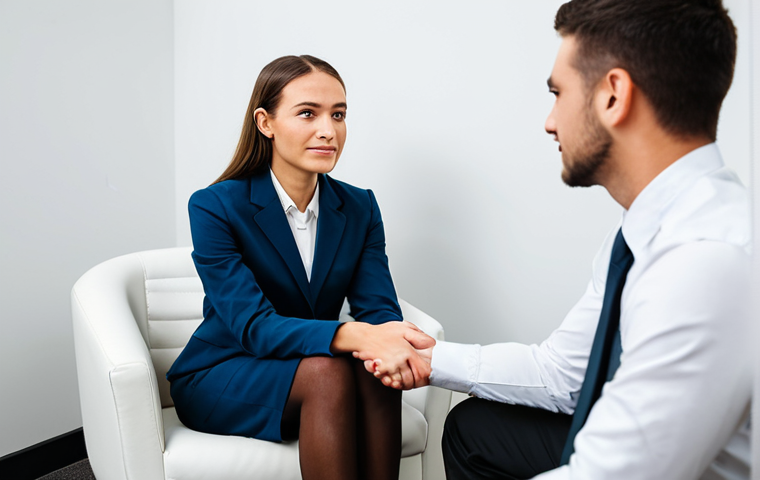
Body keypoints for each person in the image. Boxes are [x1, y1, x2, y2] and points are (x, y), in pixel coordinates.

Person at [361, 0, 752, 478]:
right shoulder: (643, 232)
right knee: (477, 429)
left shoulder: (706, 261)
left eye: (558, 93)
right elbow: (562, 374)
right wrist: (430, 359)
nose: (550, 121)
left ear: (613, 95)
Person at [166, 54, 434, 480]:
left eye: (339, 114)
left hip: (317, 373)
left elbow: (378, 308)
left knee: (372, 368)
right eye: (308, 113)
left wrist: (385, 340)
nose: (328, 130)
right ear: (265, 122)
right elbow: (253, 325)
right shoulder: (215, 206)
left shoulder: (359, 206)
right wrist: (357, 335)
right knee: (330, 371)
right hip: (227, 373)